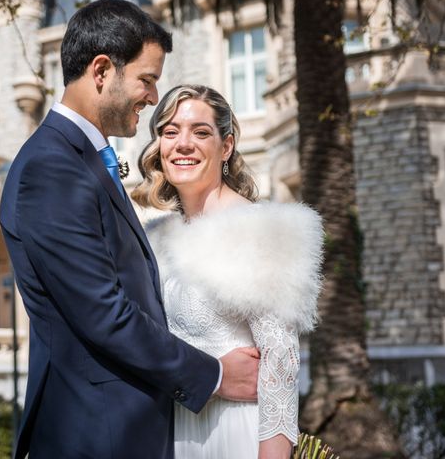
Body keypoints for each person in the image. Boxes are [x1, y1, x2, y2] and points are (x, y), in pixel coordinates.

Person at [0, 0, 260, 459]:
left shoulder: (80, 159)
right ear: (102, 71)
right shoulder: (52, 168)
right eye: (147, 79)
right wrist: (215, 376)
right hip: (96, 434)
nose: (153, 97)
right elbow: (104, 313)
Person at [132, 85, 324, 459]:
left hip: (237, 435)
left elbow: (280, 369)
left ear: (227, 146)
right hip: (170, 436)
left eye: (200, 132)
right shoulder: (153, 239)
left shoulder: (262, 229)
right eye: (170, 132)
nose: (183, 144)